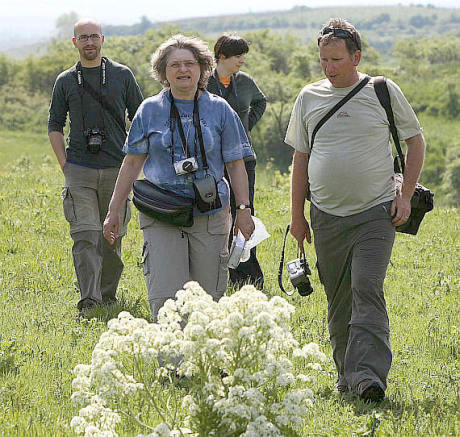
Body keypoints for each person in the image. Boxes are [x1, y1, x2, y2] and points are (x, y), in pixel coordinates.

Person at [285, 18, 425, 402]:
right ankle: (345, 375)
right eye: (323, 60)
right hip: (326, 216)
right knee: (339, 296)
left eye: (335, 59)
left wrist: (405, 195)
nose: (328, 67)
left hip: (375, 213)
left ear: (356, 57)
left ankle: (368, 378)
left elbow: (416, 142)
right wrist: (297, 218)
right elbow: (301, 158)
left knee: (367, 286)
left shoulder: (382, 90)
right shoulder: (308, 98)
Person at [103, 35, 254, 321]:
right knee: (166, 297)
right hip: (162, 214)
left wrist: (243, 210)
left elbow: (236, 164)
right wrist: (113, 210)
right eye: (175, 65)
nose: (183, 70)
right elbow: (132, 161)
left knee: (208, 297)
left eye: (189, 63)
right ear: (163, 71)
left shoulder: (220, 109)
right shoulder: (149, 110)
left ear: (202, 68)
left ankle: (203, 364)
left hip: (209, 213)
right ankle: (172, 365)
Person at [48, 18, 144, 312]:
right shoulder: (65, 80)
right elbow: (54, 125)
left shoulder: (122, 75)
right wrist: (65, 165)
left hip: (117, 168)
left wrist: (135, 160)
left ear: (102, 39)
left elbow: (140, 118)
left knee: (111, 237)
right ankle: (89, 299)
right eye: (83, 38)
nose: (89, 42)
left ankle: (107, 293)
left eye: (93, 37)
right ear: (74, 43)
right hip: (79, 168)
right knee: (86, 233)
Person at [207, 33, 266, 289]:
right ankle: (221, 272)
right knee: (220, 215)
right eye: (237, 55)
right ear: (221, 57)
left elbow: (260, 102)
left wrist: (245, 127)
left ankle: (249, 275)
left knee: (244, 213)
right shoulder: (204, 82)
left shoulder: (245, 82)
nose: (242, 60)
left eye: (244, 55)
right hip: (213, 160)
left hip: (244, 159)